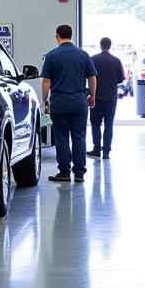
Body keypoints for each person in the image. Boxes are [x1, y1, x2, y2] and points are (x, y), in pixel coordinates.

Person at [41, 24, 97, 183]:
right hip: (79, 102)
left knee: (61, 137)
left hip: (59, 103)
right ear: (71, 35)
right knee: (79, 137)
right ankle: (79, 173)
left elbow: (46, 81)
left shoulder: (51, 56)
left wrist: (44, 101)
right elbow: (92, 77)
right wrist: (92, 95)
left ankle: (64, 172)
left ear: (57, 36)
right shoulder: (83, 55)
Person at [88, 37, 125, 160]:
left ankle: (96, 149)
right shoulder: (116, 61)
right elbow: (121, 78)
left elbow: (88, 76)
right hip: (111, 97)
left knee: (95, 124)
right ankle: (106, 152)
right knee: (109, 125)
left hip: (96, 97)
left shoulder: (93, 59)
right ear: (110, 45)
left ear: (100, 45)